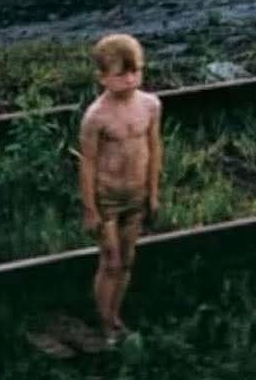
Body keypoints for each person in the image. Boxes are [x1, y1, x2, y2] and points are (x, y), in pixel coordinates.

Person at [79, 34, 162, 344]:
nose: (130, 79)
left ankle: (115, 316)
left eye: (135, 71)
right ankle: (103, 322)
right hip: (107, 199)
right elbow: (87, 164)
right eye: (120, 74)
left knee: (127, 259)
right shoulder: (96, 117)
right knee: (110, 261)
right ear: (102, 77)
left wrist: (153, 192)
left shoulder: (151, 105)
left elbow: (155, 149)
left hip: (136, 195)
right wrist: (90, 209)